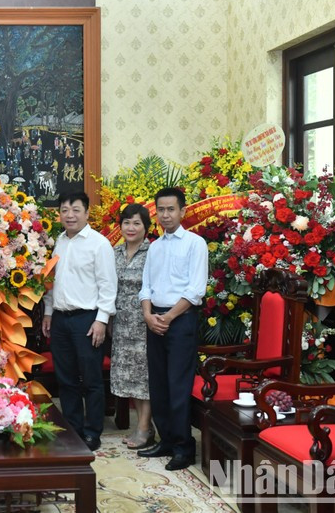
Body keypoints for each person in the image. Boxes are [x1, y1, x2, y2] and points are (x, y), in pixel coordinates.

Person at [137, 187, 208, 471]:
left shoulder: (195, 243)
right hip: (154, 320)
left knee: (178, 386)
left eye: (171, 209)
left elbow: (195, 290)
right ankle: (166, 439)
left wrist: (168, 317)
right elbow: (146, 287)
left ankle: (183, 447)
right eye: (161, 210)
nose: (165, 215)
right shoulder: (154, 247)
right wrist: (149, 316)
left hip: (181, 321)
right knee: (159, 384)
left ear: (183, 211)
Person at [41, 191, 118, 451]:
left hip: (88, 319)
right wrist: (49, 312)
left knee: (92, 379)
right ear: (59, 214)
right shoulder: (59, 242)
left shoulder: (99, 244)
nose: (70, 214)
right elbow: (52, 282)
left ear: (87, 213)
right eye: (64, 209)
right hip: (61, 319)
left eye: (75, 209)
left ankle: (92, 431)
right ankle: (72, 427)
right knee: (66, 378)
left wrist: (102, 320)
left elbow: (108, 286)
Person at [110, 203, 154, 449]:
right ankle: (145, 426)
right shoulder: (114, 252)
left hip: (144, 322)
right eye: (127, 222)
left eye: (137, 223)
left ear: (146, 227)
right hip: (120, 323)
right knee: (130, 379)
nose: (131, 227)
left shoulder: (153, 252)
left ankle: (144, 428)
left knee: (143, 380)